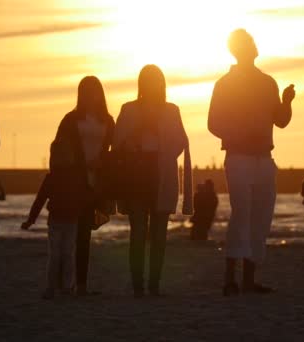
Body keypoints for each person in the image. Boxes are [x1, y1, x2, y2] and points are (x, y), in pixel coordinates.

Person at [208, 28, 295, 296]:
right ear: (238, 49)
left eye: (253, 42)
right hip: (239, 158)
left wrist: (287, 102)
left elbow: (280, 120)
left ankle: (248, 278)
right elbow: (213, 123)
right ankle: (229, 278)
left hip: (264, 158)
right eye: (248, 43)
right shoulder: (225, 84)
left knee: (261, 218)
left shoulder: (268, 83)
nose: (254, 46)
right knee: (242, 214)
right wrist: (239, 133)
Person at [113, 65, 192, 297]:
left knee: (159, 234)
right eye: (147, 80)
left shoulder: (171, 110)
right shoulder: (128, 109)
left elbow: (180, 141)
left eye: (155, 80)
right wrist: (136, 136)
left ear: (162, 83)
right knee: (138, 232)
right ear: (141, 84)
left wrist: (161, 144)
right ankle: (138, 285)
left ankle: (154, 284)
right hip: (136, 174)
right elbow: (117, 143)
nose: (151, 85)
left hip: (162, 174)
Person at [51, 76, 115, 296]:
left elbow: (114, 152)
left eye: (94, 91)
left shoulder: (107, 120)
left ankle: (81, 285)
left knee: (84, 234)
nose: (91, 95)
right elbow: (58, 148)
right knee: (70, 235)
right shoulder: (70, 119)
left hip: (95, 182)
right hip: (73, 180)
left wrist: (102, 162)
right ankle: (64, 283)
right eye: (86, 91)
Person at [21, 172, 82, 299]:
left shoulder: (68, 176)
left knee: (63, 254)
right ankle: (56, 288)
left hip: (69, 219)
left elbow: (40, 198)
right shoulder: (59, 176)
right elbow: (41, 198)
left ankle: (62, 288)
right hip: (60, 219)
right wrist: (31, 220)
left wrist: (30, 220)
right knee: (62, 255)